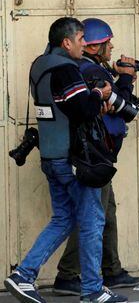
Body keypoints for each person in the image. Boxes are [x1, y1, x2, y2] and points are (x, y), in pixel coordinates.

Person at [3, 17, 127, 303]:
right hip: (72, 158)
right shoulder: (67, 69)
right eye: (81, 39)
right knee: (93, 220)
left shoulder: (40, 65)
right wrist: (100, 93)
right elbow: (82, 108)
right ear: (66, 42)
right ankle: (93, 290)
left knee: (63, 219)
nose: (84, 44)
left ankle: (23, 275)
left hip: (50, 154)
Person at [53, 18, 139, 296]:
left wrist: (115, 73)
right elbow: (127, 108)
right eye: (108, 43)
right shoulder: (90, 71)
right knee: (92, 216)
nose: (112, 46)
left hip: (98, 157)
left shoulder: (87, 68)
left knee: (107, 212)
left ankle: (112, 270)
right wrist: (126, 77)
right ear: (93, 46)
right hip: (93, 157)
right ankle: (68, 275)